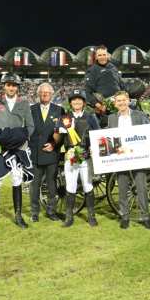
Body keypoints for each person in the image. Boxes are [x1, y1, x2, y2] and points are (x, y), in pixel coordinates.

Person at [0, 73, 34, 231]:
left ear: (18, 87)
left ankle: (18, 216)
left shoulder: (24, 103)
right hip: (0, 148)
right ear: (4, 85)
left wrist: (23, 141)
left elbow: (30, 126)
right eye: (8, 84)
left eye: (14, 85)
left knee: (17, 181)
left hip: (18, 149)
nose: (11, 87)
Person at [108, 90, 150, 230]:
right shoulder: (112, 119)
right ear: (115, 104)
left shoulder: (139, 115)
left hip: (138, 157)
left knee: (141, 188)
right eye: (118, 101)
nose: (121, 103)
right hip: (121, 158)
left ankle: (145, 217)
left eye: (123, 100)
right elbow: (108, 137)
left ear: (128, 101)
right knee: (122, 188)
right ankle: (125, 216)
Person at [53, 89, 100, 227]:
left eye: (79, 99)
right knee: (71, 186)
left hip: (86, 157)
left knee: (87, 185)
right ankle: (69, 217)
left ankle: (91, 216)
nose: (77, 102)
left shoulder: (91, 117)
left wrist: (93, 147)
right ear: (71, 102)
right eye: (74, 99)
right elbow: (59, 136)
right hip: (71, 157)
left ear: (84, 102)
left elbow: (97, 135)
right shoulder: (65, 118)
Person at [29, 82, 64, 222]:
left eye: (47, 92)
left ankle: (51, 211)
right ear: (38, 94)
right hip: (35, 153)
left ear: (51, 94)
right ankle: (34, 212)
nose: (45, 94)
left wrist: (54, 144)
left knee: (51, 185)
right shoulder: (31, 109)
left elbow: (63, 132)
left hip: (52, 153)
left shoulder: (59, 110)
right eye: (42, 92)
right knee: (35, 185)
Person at [85, 45, 125, 116]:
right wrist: (99, 106)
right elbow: (88, 92)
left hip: (119, 104)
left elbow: (121, 85)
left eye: (104, 54)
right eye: (99, 55)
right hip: (104, 108)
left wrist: (125, 97)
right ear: (96, 57)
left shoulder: (113, 67)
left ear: (107, 55)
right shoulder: (91, 70)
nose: (102, 57)